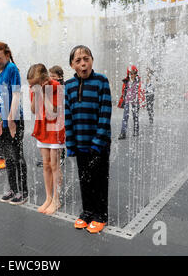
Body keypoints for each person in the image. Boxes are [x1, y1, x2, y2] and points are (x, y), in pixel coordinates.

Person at [65, 45, 112, 234]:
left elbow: (105, 112)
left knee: (100, 179)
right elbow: (67, 115)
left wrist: (98, 142)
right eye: (78, 61)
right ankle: (87, 211)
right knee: (84, 179)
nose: (83, 63)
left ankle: (101, 215)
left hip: (99, 145)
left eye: (86, 58)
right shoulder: (68, 86)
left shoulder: (101, 81)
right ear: (72, 65)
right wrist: (71, 144)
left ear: (92, 60)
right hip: (80, 143)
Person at [0, 41, 28, 205]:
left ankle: (23, 191)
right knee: (6, 156)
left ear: (7, 55)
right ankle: (12, 188)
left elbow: (16, 95)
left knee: (17, 155)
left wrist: (11, 119)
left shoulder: (12, 69)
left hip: (14, 118)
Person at [27, 63, 65, 215]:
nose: (32, 88)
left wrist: (42, 93)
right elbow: (34, 110)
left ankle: (57, 199)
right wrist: (36, 94)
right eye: (30, 86)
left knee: (55, 165)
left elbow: (53, 111)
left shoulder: (57, 87)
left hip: (55, 129)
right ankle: (48, 197)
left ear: (44, 80)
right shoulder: (35, 89)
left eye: (34, 85)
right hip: (42, 128)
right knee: (46, 164)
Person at [117, 65, 145, 139]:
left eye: (134, 73)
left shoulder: (138, 81)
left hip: (135, 102)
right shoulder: (126, 82)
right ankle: (123, 133)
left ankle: (136, 131)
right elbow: (123, 92)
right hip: (127, 102)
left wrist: (141, 101)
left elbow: (141, 91)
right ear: (128, 74)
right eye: (131, 73)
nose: (132, 75)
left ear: (136, 73)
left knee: (135, 117)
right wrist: (122, 100)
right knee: (125, 117)